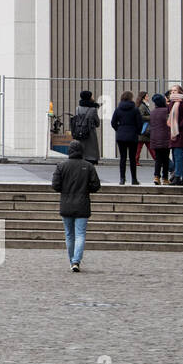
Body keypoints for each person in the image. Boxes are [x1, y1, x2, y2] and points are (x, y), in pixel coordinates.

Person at [52, 139, 101, 272]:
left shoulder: (61, 166)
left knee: (69, 234)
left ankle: (72, 260)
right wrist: (85, 188)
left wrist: (65, 188)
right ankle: (76, 261)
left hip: (66, 204)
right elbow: (96, 185)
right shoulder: (88, 166)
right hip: (82, 204)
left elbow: (55, 185)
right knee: (80, 234)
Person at [110, 91, 144, 185]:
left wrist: (119, 129)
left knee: (123, 158)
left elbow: (113, 122)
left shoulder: (118, 109)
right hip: (132, 136)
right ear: (131, 98)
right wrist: (137, 131)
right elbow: (139, 123)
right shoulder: (135, 109)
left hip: (121, 136)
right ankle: (134, 179)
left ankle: (122, 178)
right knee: (132, 158)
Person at [70, 90, 101, 165]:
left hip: (80, 132)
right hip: (90, 133)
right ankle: (91, 161)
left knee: (82, 148)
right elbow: (97, 123)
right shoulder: (93, 109)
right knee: (91, 150)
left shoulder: (78, 108)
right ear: (89, 97)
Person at [148, 94, 171, 185]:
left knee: (158, 159)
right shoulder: (167, 111)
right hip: (165, 138)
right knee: (165, 159)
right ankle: (165, 178)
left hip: (155, 138)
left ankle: (156, 177)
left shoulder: (152, 112)